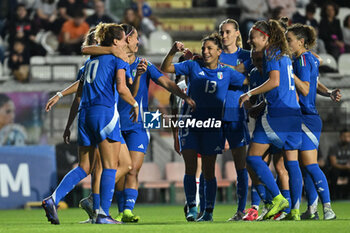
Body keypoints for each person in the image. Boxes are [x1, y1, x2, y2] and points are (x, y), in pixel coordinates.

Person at [81, 24, 196, 223]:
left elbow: (166, 82)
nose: (138, 42)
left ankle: (122, 208)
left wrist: (183, 96)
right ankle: (104, 206)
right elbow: (88, 53)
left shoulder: (144, 63)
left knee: (131, 167)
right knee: (112, 167)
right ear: (125, 39)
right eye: (135, 38)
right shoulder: (114, 60)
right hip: (113, 121)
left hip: (138, 124)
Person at [42, 23, 138, 225]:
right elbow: (122, 88)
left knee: (85, 166)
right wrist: (134, 103)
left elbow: (78, 95)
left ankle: (53, 199)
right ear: (115, 41)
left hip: (85, 116)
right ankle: (102, 214)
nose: (124, 42)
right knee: (111, 166)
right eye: (122, 39)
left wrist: (68, 123)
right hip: (104, 115)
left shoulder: (89, 62)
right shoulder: (117, 58)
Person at [161, 34, 247, 222]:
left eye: (210, 48)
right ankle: (192, 207)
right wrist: (173, 51)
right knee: (190, 168)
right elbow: (165, 68)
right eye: (203, 48)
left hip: (213, 127)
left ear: (219, 52)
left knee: (209, 171)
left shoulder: (227, 72)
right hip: (191, 124)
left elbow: (247, 81)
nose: (205, 52)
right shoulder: (193, 66)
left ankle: (208, 212)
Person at [239, 19, 302, 220]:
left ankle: (277, 199)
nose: (249, 41)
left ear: (265, 37)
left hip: (278, 114)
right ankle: (294, 209)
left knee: (253, 158)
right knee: (289, 164)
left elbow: (274, 82)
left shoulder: (271, 52)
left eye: (252, 37)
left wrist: (249, 93)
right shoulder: (283, 54)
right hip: (293, 114)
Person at [286, 23, 336, 220]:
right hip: (308, 117)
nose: (287, 44)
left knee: (310, 165)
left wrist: (287, 71)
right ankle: (312, 210)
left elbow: (305, 88)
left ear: (301, 42)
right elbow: (314, 84)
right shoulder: (308, 59)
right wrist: (329, 92)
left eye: (289, 40)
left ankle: (328, 208)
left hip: (306, 117)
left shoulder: (302, 61)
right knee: (306, 165)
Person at [217, 19, 250, 221]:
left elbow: (253, 79)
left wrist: (223, 71)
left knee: (241, 166)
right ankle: (206, 210)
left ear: (237, 33)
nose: (224, 36)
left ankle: (241, 210)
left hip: (236, 115)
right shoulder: (214, 54)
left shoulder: (247, 56)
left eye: (228, 32)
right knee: (208, 167)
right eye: (222, 32)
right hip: (214, 115)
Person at [328, 129, 350, 200]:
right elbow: (333, 163)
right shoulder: (334, 147)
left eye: (348, 136)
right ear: (340, 137)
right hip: (338, 168)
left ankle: (347, 195)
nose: (346, 138)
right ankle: (333, 195)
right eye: (344, 136)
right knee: (334, 172)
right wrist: (345, 166)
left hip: (348, 169)